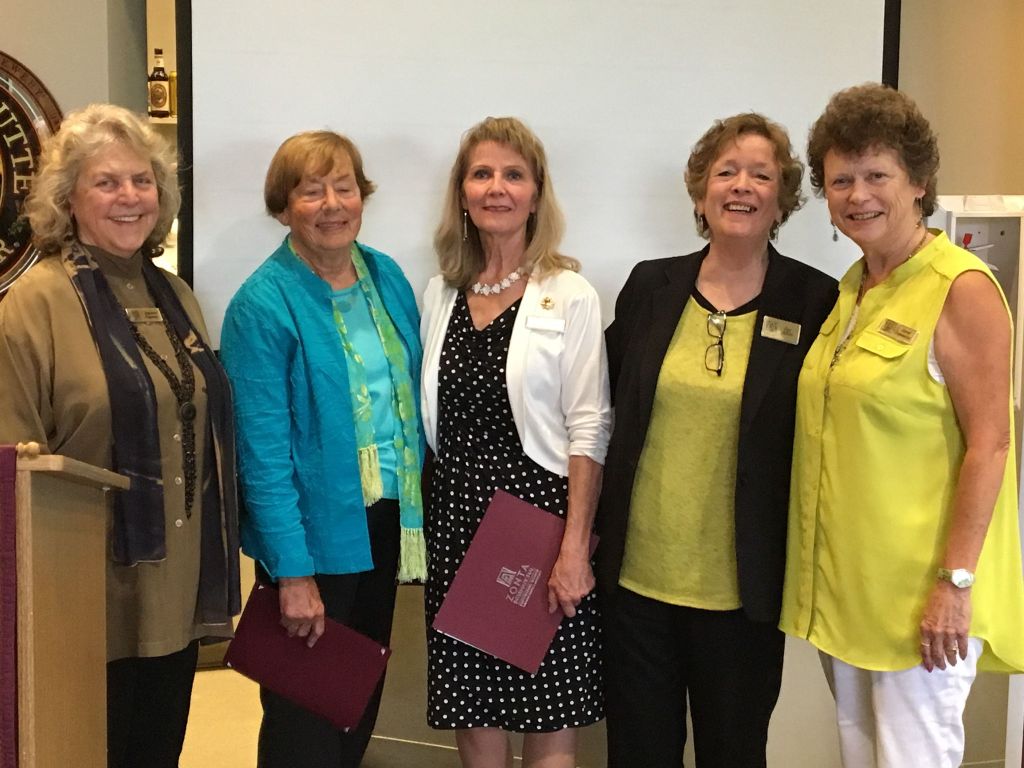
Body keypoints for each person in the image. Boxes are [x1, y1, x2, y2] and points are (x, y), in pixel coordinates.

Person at [780, 83, 1024, 768]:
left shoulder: (960, 286)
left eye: (876, 175)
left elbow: (991, 442)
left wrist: (955, 585)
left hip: (922, 604)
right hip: (850, 596)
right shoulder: (854, 289)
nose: (858, 194)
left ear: (918, 181)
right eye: (841, 180)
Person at [0, 103, 240, 768]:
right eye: (106, 182)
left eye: (142, 181)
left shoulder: (176, 296)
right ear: (67, 198)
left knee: (157, 753)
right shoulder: (33, 303)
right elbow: (11, 473)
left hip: (176, 587)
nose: (129, 197)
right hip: (82, 600)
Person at [597, 113, 838, 768]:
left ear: (782, 196)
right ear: (701, 189)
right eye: (726, 171)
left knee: (735, 754)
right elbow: (601, 410)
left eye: (760, 173)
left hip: (743, 594)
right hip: (636, 585)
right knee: (639, 754)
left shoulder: (815, 299)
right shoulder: (651, 285)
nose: (742, 185)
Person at [219, 130, 425, 768]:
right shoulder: (261, 304)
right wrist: (293, 572)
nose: (333, 204)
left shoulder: (385, 276)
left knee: (356, 698)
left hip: (384, 521)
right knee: (303, 719)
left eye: (345, 187)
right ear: (284, 208)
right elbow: (262, 455)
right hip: (312, 538)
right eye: (312, 191)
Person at [420, 116, 610, 768]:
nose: (496, 187)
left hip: (540, 523)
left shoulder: (570, 294)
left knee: (547, 706)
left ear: (536, 192)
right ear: (462, 192)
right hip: (457, 522)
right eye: (481, 174)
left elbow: (589, 428)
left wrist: (574, 548)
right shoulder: (439, 293)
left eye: (513, 174)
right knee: (473, 709)